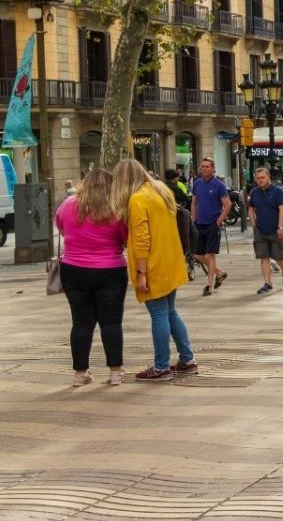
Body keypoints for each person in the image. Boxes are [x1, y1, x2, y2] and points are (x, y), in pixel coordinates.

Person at [111, 159, 196, 382]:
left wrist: (141, 274)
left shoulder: (137, 199)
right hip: (170, 260)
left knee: (159, 313)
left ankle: (161, 366)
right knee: (170, 311)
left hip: (153, 264)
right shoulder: (160, 191)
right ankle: (187, 359)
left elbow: (141, 239)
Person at [56, 169, 127, 387]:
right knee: (111, 322)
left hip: (73, 269)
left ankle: (80, 373)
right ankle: (115, 372)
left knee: (81, 323)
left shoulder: (68, 205)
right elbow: (126, 237)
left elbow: (60, 227)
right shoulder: (116, 208)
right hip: (110, 270)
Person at [190, 157, 230, 296]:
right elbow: (194, 202)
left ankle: (209, 285)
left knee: (210, 254)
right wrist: (193, 219)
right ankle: (219, 273)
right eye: (202, 167)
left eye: (207, 166)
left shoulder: (219, 185)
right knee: (197, 254)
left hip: (212, 224)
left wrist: (218, 221)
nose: (204, 169)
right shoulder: (197, 184)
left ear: (213, 169)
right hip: (199, 224)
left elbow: (227, 205)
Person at [248, 167, 283, 294]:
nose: (260, 180)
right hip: (260, 230)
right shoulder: (254, 192)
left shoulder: (277, 192)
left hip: (275, 229)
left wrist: (280, 227)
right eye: (258, 178)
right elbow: (251, 209)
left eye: (263, 178)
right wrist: (254, 224)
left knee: (279, 257)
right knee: (263, 256)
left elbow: (282, 209)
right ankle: (268, 283)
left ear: (269, 177)